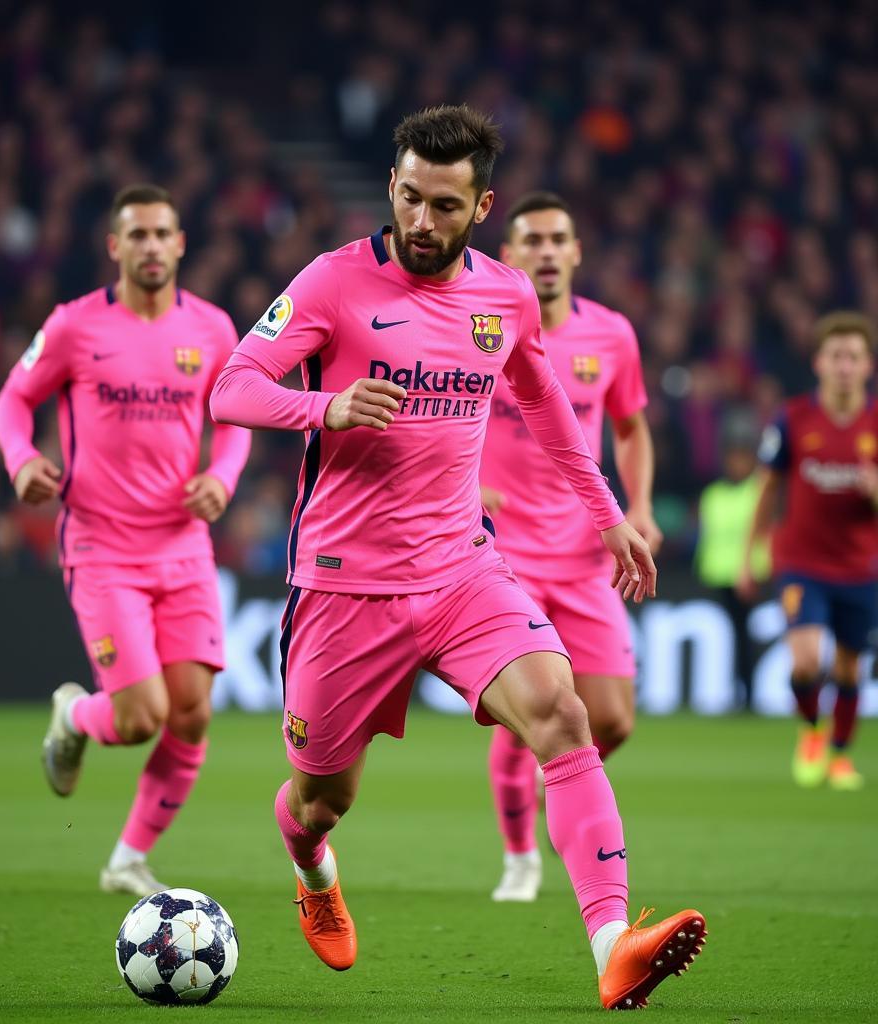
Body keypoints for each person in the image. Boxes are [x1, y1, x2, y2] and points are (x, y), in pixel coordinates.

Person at [211, 106, 705, 1011]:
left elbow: (549, 407)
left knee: (563, 712)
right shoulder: (330, 283)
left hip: (462, 571)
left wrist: (608, 516)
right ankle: (314, 868)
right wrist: (325, 410)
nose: (422, 223)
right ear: (392, 189)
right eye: (409, 198)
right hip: (343, 587)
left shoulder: (505, 296)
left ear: (481, 206)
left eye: (444, 205)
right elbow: (231, 388)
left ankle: (613, 945)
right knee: (321, 798)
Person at [0, 184, 251, 895]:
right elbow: (14, 398)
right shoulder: (76, 326)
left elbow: (233, 419)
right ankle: (75, 713)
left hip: (184, 546)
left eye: (161, 233)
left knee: (192, 711)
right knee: (142, 717)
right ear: (114, 246)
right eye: (135, 234)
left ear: (180, 244)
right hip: (102, 546)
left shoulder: (213, 329)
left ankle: (127, 858)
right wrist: (21, 461)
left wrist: (222, 479)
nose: (149, 246)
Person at [479, 191, 661, 903]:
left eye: (560, 240)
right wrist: (464, 487)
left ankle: (541, 779)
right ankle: (520, 855)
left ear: (576, 253)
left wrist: (639, 506)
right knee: (536, 700)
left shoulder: (612, 335)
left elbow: (632, 428)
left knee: (613, 718)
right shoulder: (482, 329)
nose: (548, 252)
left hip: (588, 552)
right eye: (533, 241)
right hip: (505, 553)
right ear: (511, 255)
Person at [739, 311, 878, 791]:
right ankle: (811, 730)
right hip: (801, 562)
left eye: (853, 357)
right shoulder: (794, 418)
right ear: (819, 362)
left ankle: (840, 756)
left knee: (847, 666)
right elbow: (767, 488)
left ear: (867, 366)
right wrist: (748, 554)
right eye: (836, 356)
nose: (844, 365)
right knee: (805, 659)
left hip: (860, 566)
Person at [696, 431, 771, 709]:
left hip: (751, 574)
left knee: (745, 636)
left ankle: (749, 694)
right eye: (733, 458)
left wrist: (751, 568)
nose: (737, 464)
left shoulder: (759, 490)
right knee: (732, 636)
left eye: (742, 458)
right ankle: (738, 693)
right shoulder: (713, 494)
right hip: (718, 574)